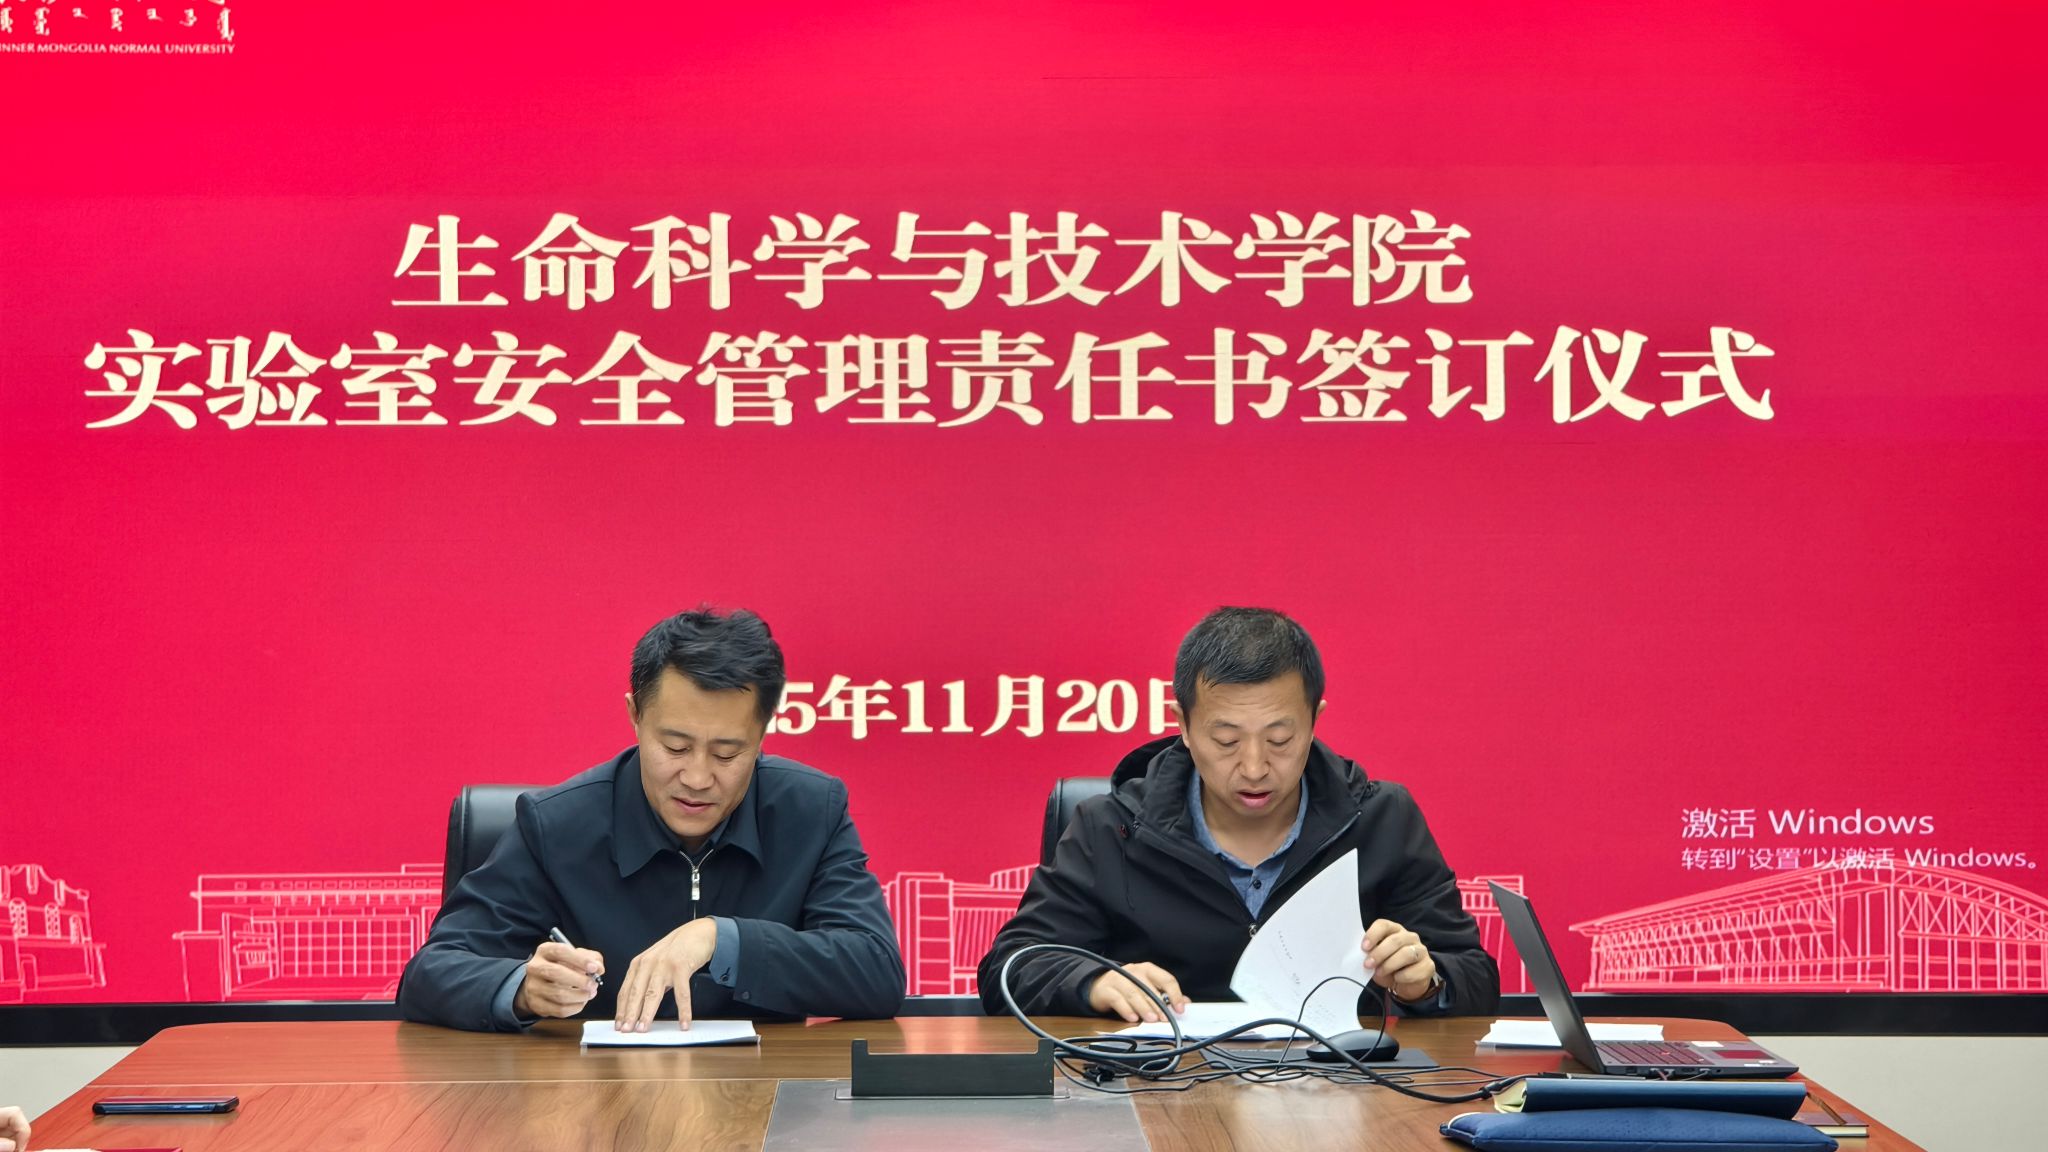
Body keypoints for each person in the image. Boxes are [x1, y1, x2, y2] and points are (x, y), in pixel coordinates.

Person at [979, 606, 1500, 1021]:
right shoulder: (1111, 827)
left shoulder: (1381, 819)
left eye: (1280, 739)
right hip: (1160, 1087)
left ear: (1314, 721)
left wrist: (1424, 982)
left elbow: (1475, 976)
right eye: (1226, 741)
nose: (1254, 767)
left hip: (1342, 1092)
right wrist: (1093, 982)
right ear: (1183, 726)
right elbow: (1011, 967)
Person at [399, 607, 905, 1032]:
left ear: (762, 736)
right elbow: (430, 973)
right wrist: (522, 990)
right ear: (635, 717)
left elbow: (876, 971)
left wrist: (721, 939)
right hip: (597, 1101)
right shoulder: (556, 825)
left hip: (766, 1093)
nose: (698, 778)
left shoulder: (810, 811)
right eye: (675, 747)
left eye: (727, 754)